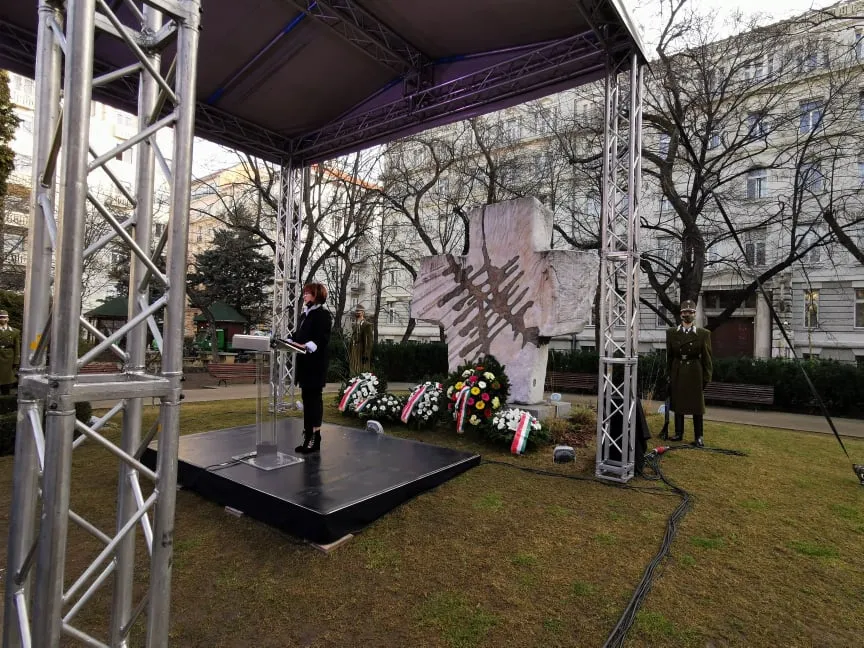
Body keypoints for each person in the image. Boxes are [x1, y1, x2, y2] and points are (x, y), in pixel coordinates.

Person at [289, 283, 332, 454]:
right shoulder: (304, 315)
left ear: (316, 295)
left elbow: (322, 338)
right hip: (304, 364)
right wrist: (289, 341)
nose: (304, 295)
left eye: (308, 293)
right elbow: (298, 336)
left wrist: (305, 345)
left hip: (316, 365)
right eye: (305, 293)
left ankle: (315, 437)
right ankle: (307, 436)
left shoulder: (323, 315)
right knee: (307, 400)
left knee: (314, 400)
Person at [666, 300, 713, 447]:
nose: (688, 315)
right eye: (685, 312)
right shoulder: (672, 333)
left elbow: (707, 358)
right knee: (678, 402)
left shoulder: (703, 334)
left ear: (694, 314)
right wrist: (668, 374)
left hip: (695, 371)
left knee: (696, 406)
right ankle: (678, 433)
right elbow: (669, 356)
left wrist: (707, 377)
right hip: (678, 369)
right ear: (681, 314)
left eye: (691, 312)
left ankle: (699, 436)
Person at [348, 304, 373, 376]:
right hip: (353, 350)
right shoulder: (355, 324)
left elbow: (369, 341)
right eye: (356, 311)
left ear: (363, 313)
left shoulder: (366, 325)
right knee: (353, 370)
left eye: (358, 311)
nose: (357, 313)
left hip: (361, 350)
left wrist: (366, 354)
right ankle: (353, 380)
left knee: (361, 371)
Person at [0, 310, 20, 396]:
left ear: (8, 319)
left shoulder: (14, 332)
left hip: (8, 358)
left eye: (4, 317)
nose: (3, 319)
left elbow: (17, 347)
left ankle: (5, 399)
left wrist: (16, 361)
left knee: (6, 382)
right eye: (1, 317)